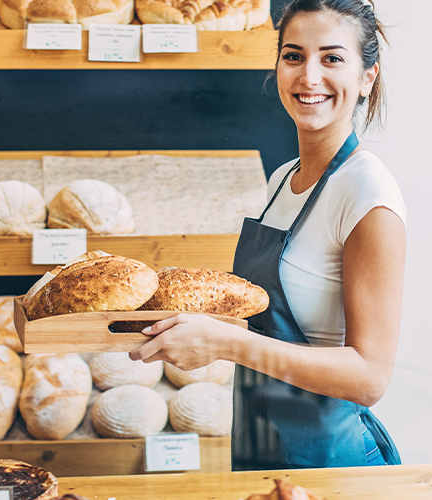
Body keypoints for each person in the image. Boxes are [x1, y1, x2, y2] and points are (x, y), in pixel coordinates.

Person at [130, 0, 405, 469]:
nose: (309, 77)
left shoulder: (367, 193)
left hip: (332, 468)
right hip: (259, 452)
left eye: (332, 58)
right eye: (293, 56)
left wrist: (224, 342)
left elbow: (370, 377)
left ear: (367, 77)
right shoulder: (282, 179)